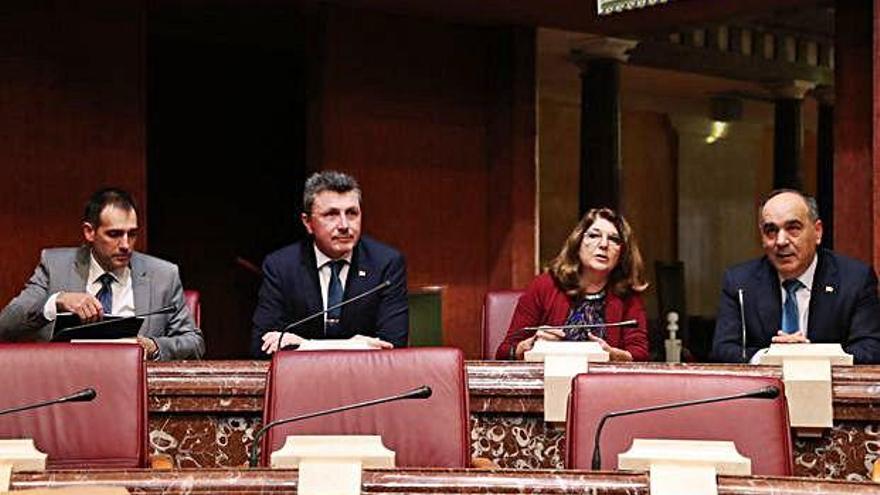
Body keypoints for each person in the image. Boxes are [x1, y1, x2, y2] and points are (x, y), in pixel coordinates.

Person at [0, 188, 205, 360]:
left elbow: (194, 343)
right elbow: (6, 325)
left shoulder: (163, 275)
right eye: (114, 234)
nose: (126, 245)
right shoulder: (55, 266)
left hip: (130, 387)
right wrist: (57, 301)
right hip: (67, 385)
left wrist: (152, 346)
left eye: (132, 234)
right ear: (90, 232)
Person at [251, 171, 408, 358]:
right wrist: (356, 345)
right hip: (302, 381)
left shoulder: (386, 263)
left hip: (366, 380)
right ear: (308, 223)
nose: (344, 225)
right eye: (331, 214)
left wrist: (304, 345)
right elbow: (262, 346)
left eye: (351, 213)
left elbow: (392, 346)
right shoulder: (281, 266)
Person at [712, 189, 880, 364]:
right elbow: (723, 349)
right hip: (766, 389)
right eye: (771, 230)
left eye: (793, 228)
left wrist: (811, 356)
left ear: (817, 231)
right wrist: (770, 356)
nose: (781, 241)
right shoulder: (740, 282)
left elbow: (871, 349)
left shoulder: (854, 280)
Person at [496, 207, 649, 361]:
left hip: (603, 383)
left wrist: (613, 355)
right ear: (578, 243)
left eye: (614, 239)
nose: (604, 244)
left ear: (622, 252)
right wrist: (530, 346)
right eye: (594, 235)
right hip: (547, 380)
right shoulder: (545, 285)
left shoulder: (628, 296)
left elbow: (640, 355)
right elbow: (503, 352)